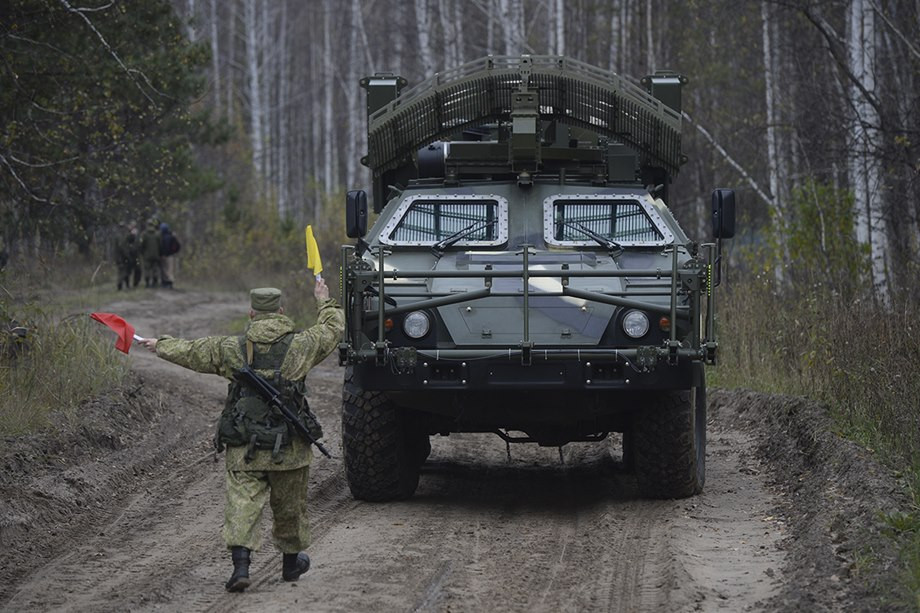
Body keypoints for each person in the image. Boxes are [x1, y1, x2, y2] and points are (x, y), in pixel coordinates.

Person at [140, 280, 344, 592]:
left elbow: (193, 351)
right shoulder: (302, 345)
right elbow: (332, 329)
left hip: (244, 446)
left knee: (242, 504)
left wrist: (160, 344)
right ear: (281, 311)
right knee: (290, 507)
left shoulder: (231, 348)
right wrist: (323, 299)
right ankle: (291, 565)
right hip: (289, 446)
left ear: (251, 313)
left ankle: (241, 568)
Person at [114, 223, 140, 291]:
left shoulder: (118, 235)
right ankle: (121, 286)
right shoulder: (120, 237)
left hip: (120, 257)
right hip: (122, 258)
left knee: (125, 272)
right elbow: (123, 248)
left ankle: (125, 286)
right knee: (123, 272)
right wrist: (128, 256)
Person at [139, 218, 161, 287]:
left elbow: (141, 245)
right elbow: (160, 245)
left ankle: (147, 283)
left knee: (147, 269)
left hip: (147, 255)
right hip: (156, 255)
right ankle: (155, 283)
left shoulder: (144, 234)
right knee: (155, 269)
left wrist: (142, 253)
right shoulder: (157, 234)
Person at [158, 222, 180, 289]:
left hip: (166, 256)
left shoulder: (165, 237)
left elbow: (165, 247)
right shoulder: (171, 236)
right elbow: (178, 246)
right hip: (171, 255)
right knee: (169, 270)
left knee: (166, 270)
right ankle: (168, 283)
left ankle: (168, 283)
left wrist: (164, 254)